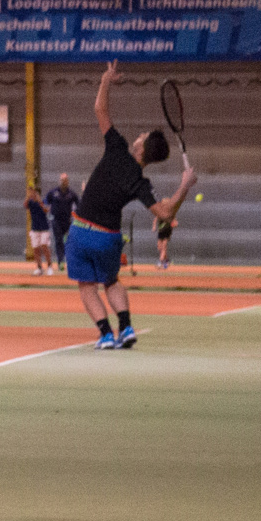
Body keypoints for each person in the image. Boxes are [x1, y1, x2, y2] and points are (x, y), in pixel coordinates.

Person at [65, 61, 195, 349]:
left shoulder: (116, 148)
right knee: (111, 281)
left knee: (87, 286)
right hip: (109, 238)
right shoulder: (140, 182)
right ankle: (125, 328)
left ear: (141, 147)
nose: (139, 135)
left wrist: (105, 80)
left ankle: (105, 335)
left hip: (82, 231)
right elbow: (165, 213)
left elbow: (100, 109)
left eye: (143, 136)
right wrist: (184, 186)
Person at [43, 171, 78, 269]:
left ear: (68, 181)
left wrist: (75, 214)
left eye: (65, 180)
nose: (63, 182)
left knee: (68, 241)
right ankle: (60, 261)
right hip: (56, 221)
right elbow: (45, 201)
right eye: (62, 180)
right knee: (58, 240)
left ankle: (70, 261)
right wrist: (47, 209)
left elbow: (78, 204)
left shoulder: (71, 194)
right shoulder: (53, 192)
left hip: (67, 221)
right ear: (59, 181)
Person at [24, 185, 54, 274]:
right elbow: (25, 205)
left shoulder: (43, 201)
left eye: (34, 192)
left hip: (44, 228)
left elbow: (46, 210)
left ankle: (49, 266)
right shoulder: (30, 202)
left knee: (44, 246)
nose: (33, 194)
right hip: (35, 228)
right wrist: (28, 196)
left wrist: (39, 201)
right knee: (36, 248)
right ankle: (39, 267)